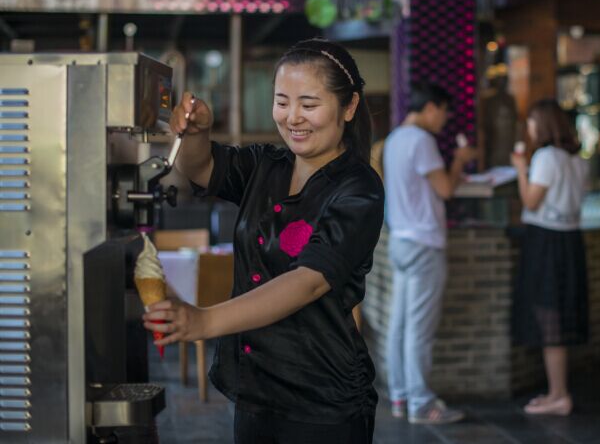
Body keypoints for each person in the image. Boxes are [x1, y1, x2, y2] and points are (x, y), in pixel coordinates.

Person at [143, 38, 384, 444]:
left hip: (321, 402)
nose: (293, 118)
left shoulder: (359, 189)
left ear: (349, 106)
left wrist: (205, 320)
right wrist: (198, 131)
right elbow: (201, 167)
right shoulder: (266, 165)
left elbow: (309, 280)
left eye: (308, 104)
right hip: (255, 390)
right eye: (282, 102)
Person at [383, 83, 477, 424]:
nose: (446, 119)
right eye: (445, 112)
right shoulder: (422, 141)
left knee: (400, 326)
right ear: (432, 107)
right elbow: (446, 189)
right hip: (424, 244)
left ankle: (400, 396)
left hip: (400, 242)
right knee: (419, 331)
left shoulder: (394, 139)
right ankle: (421, 404)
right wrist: (459, 160)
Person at [510, 100, 589, 416]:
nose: (529, 129)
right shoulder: (578, 160)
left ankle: (558, 394)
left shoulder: (545, 157)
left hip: (545, 241)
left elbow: (530, 200)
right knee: (559, 314)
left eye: (531, 122)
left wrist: (519, 168)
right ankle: (558, 391)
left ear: (541, 124)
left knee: (549, 317)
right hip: (571, 240)